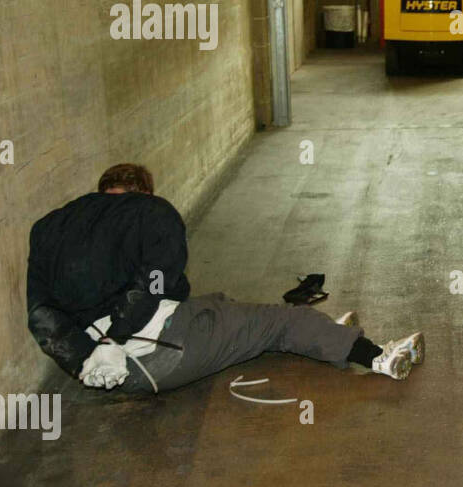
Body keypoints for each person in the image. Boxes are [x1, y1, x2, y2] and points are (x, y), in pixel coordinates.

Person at [26, 163, 423, 395]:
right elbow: (155, 284)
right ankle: (377, 357)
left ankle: (322, 336)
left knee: (219, 305)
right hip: (160, 353)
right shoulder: (151, 212)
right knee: (284, 322)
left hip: (113, 372)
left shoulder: (47, 228)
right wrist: (118, 338)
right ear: (142, 192)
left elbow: (42, 315)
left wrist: (85, 361)